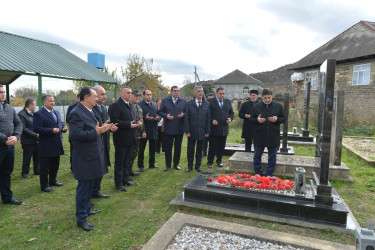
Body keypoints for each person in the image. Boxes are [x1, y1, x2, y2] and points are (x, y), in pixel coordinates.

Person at [69, 86, 113, 231]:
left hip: (94, 155)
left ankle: (87, 209)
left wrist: (103, 129)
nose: (97, 98)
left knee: (89, 188)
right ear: (86, 97)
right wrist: (95, 132)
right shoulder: (76, 113)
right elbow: (75, 135)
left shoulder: (90, 111)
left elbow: (95, 129)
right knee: (84, 188)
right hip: (84, 158)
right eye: (94, 96)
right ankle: (81, 219)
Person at [33, 95, 68, 192]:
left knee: (55, 164)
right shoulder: (39, 114)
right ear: (44, 103)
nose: (53, 102)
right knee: (45, 166)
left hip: (57, 143)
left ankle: (53, 180)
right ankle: (44, 185)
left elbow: (59, 124)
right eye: (50, 101)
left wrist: (64, 128)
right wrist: (51, 130)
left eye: (53, 101)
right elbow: (37, 128)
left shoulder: (56, 112)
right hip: (46, 145)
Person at [110, 87, 141, 191]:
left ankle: (126, 179)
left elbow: (133, 119)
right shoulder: (115, 106)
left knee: (127, 161)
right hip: (121, 139)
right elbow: (115, 121)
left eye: (131, 93)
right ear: (121, 93)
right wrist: (128, 125)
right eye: (128, 93)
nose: (130, 94)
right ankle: (118, 183)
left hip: (131, 138)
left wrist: (137, 123)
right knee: (120, 162)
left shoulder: (131, 106)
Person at [250, 88, 286, 176]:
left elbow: (284, 118)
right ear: (262, 97)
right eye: (265, 98)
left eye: (269, 98)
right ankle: (258, 173)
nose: (267, 100)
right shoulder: (256, 106)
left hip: (273, 135)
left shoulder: (278, 106)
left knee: (272, 157)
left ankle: (269, 174)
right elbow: (251, 119)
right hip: (259, 135)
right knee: (257, 156)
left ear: (272, 96)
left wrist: (277, 119)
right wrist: (257, 120)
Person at [92, 85, 117, 198]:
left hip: (104, 142)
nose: (105, 97)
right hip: (94, 143)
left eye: (105, 94)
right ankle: (92, 191)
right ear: (94, 95)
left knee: (102, 167)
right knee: (95, 168)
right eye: (102, 94)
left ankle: (96, 190)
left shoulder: (103, 108)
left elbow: (105, 123)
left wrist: (109, 128)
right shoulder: (91, 109)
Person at [0, 85, 23, 205]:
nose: (3, 94)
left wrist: (16, 136)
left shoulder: (9, 107)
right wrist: (4, 138)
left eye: (4, 92)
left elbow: (18, 123)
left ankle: (7, 197)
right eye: (0, 92)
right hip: (1, 144)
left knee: (6, 172)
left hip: (10, 146)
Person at [158, 86, 186, 171]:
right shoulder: (165, 100)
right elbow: (159, 112)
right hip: (169, 128)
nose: (177, 92)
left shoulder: (183, 101)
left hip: (179, 128)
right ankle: (168, 165)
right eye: (175, 91)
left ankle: (176, 164)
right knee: (168, 148)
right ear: (171, 92)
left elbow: (187, 111)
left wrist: (183, 115)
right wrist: (166, 116)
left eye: (178, 91)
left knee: (178, 148)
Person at [184, 86, 210, 172]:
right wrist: (187, 131)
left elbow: (208, 118)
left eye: (201, 91)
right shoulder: (189, 104)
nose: (200, 93)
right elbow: (186, 118)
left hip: (202, 131)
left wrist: (207, 131)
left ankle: (198, 166)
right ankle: (190, 166)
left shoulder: (206, 104)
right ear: (195, 93)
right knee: (190, 150)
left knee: (200, 150)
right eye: (198, 91)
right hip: (192, 131)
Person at [207, 87, 234, 168]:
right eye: (220, 93)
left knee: (221, 146)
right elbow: (207, 114)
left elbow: (231, 113)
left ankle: (219, 160)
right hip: (214, 129)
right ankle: (210, 162)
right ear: (216, 94)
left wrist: (230, 119)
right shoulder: (210, 101)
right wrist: (212, 120)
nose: (222, 95)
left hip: (224, 128)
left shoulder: (228, 102)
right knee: (212, 146)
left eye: (223, 93)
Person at [138, 90, 160, 171]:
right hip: (144, 130)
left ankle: (152, 164)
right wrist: (145, 117)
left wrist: (158, 118)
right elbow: (137, 117)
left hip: (153, 129)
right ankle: (141, 165)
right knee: (141, 149)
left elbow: (158, 115)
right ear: (144, 95)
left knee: (152, 149)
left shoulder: (154, 105)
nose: (149, 96)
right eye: (148, 95)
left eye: (150, 95)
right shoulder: (139, 105)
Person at [18, 99, 39, 178]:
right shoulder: (21, 114)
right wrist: (35, 135)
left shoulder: (34, 114)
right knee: (27, 157)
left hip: (36, 139)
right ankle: (25, 173)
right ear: (30, 105)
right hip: (27, 141)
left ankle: (37, 170)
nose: (35, 106)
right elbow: (23, 128)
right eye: (34, 104)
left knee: (37, 156)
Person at [129, 91, 145, 174]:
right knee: (129, 153)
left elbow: (142, 120)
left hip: (138, 134)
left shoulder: (139, 108)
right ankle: (127, 170)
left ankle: (130, 169)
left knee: (135, 152)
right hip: (130, 134)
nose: (137, 97)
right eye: (136, 96)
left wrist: (143, 131)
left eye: (138, 96)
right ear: (130, 96)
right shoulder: (129, 107)